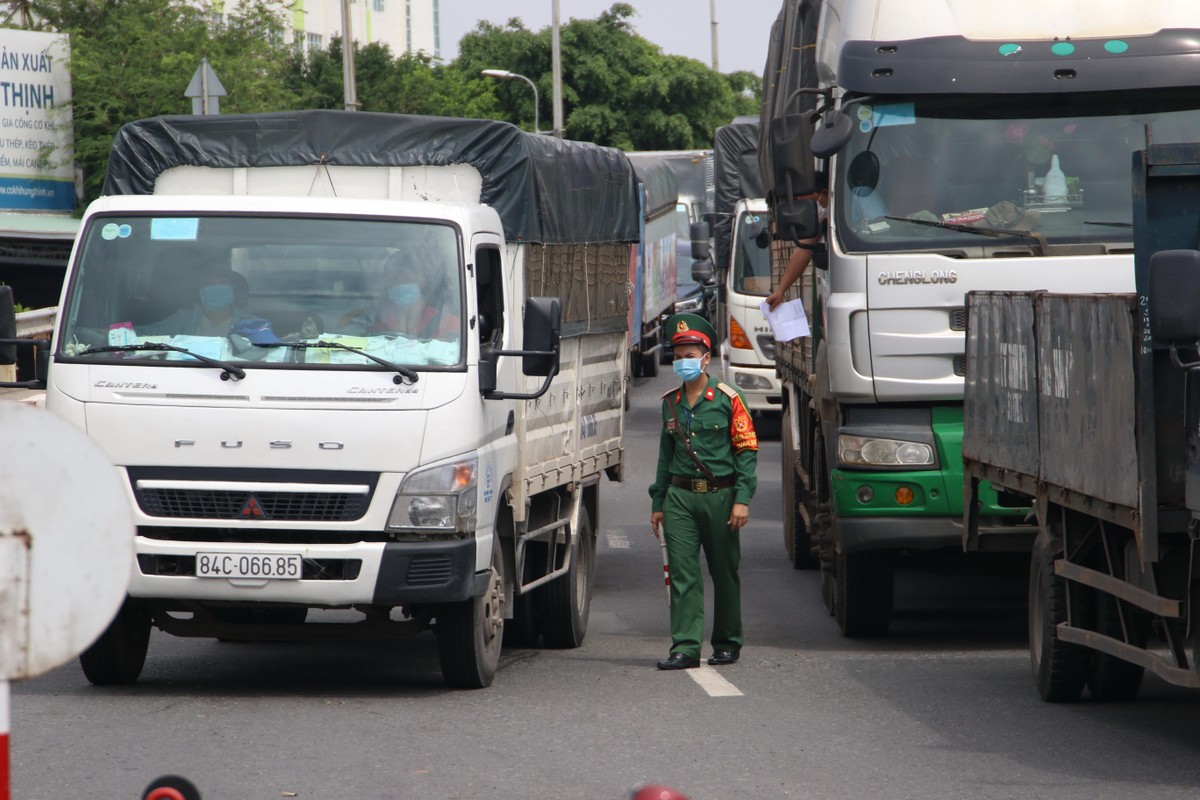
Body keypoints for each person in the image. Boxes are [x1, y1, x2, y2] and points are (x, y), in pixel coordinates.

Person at [648, 313, 758, 670]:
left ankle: (727, 642)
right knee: (682, 573)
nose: (684, 362)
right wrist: (658, 502)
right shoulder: (669, 402)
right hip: (680, 497)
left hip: (721, 497)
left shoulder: (729, 398)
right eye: (678, 356)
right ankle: (685, 646)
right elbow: (666, 457)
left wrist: (742, 499)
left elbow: (746, 451)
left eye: (690, 355)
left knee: (724, 572)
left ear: (706, 357)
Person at [339, 250, 459, 339]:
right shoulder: (376, 326)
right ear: (387, 285)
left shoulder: (446, 322)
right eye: (393, 280)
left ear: (421, 281)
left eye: (405, 278)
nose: (399, 284)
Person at [765, 171, 829, 311]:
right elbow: (803, 251)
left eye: (806, 203)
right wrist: (780, 291)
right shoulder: (822, 217)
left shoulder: (858, 198)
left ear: (824, 193)